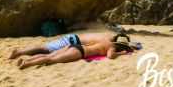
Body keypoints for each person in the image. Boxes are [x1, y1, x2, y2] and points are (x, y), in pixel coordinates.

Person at [10, 33, 138, 69]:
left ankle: (27, 59)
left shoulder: (105, 40)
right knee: (51, 59)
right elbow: (110, 57)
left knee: (48, 54)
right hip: (79, 53)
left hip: (76, 46)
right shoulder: (112, 47)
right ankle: (26, 64)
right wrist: (122, 53)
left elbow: (88, 43)